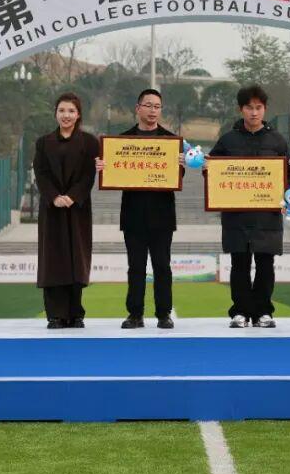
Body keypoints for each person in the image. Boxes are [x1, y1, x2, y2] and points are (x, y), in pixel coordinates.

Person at [208, 85, 290, 328]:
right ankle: (239, 312)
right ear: (241, 110)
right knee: (239, 264)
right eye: (249, 107)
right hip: (236, 217)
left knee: (265, 265)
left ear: (265, 109)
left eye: (258, 107)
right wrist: (208, 169)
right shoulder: (227, 140)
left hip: (267, 217)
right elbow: (212, 172)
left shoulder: (278, 141)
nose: (254, 112)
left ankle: (263, 312)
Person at [95, 88, 185, 330]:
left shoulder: (171, 141)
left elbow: (179, 177)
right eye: (148, 105)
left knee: (162, 267)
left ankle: (164, 314)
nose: (153, 110)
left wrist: (181, 165)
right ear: (138, 108)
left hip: (162, 215)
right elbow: (112, 173)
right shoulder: (121, 141)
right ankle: (135, 314)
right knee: (135, 267)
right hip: (133, 215)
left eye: (157, 106)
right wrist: (103, 165)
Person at [33, 92, 99, 329]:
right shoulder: (43, 142)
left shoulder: (90, 142)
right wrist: (54, 197)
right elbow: (40, 173)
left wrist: (72, 196)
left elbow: (88, 175)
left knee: (76, 260)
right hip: (52, 210)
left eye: (71, 111)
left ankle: (75, 313)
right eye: (62, 110)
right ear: (56, 113)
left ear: (78, 114)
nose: (66, 115)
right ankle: (55, 314)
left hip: (77, 209)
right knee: (53, 260)